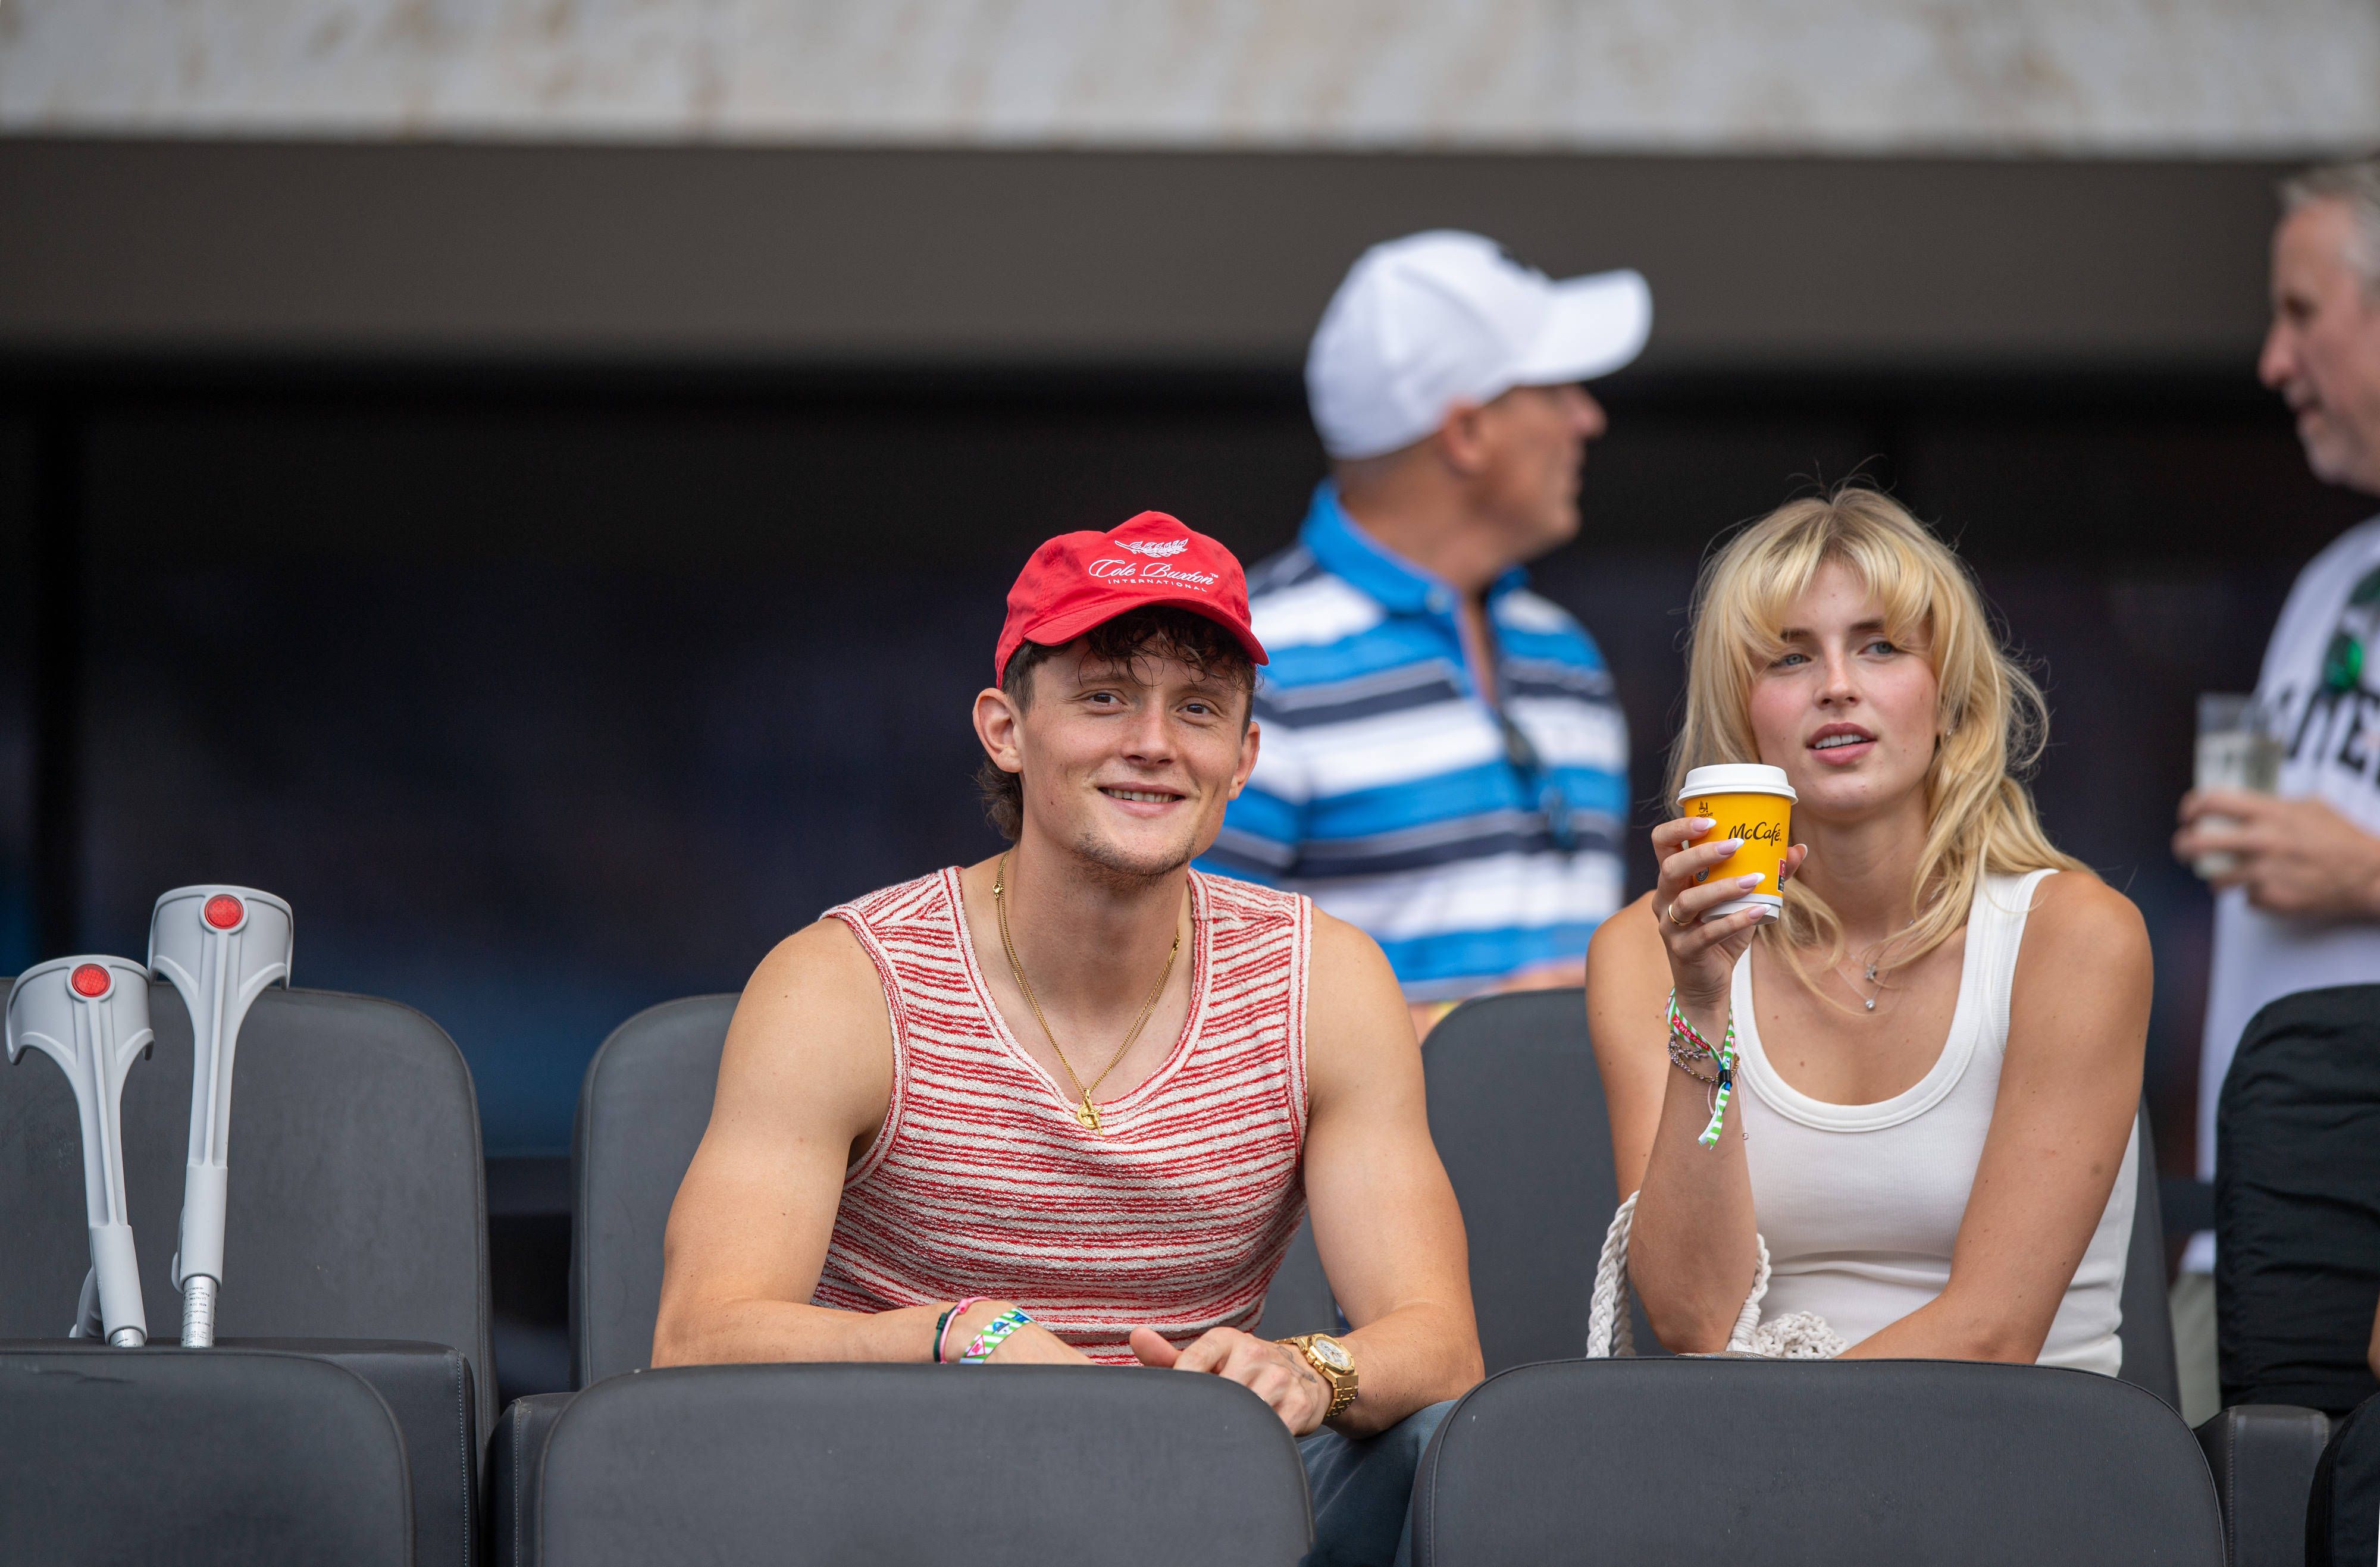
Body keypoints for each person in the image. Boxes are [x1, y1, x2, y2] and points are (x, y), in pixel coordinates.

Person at [652, 511, 1482, 1567]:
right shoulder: (844, 982)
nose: (1153, 741)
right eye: (1103, 696)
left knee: (1427, 1445)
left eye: (1198, 708)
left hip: (1198, 1508)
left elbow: (1441, 1341)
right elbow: (695, 1337)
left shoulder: (1326, 980)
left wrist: (1314, 1368)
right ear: (1004, 727)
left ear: (1243, 756)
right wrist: (963, 1336)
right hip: (895, 1502)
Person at [1587, 487, 2149, 1367]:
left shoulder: (2075, 937)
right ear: (1743, 714)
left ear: (1950, 695)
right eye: (1788, 658)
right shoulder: (1646, 950)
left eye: (1881, 646)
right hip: (1748, 1485)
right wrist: (1701, 1003)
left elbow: (1994, 1335)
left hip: (2023, 1466)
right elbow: (1695, 1319)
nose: (1838, 685)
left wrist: (1787, 1458)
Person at [1199, 231, 1648, 1036]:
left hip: (1591, 1166)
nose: (1589, 416)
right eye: (1554, 389)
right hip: (1368, 1166)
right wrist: (1491, 1031)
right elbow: (1192, 1012)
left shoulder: (1564, 655)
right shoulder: (1250, 665)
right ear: (1467, 432)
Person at [2169, 156, 2380, 1422]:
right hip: (2253, 1228)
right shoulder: (2328, 578)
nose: (2269, 359)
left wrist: (2358, 868)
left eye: (2299, 313)